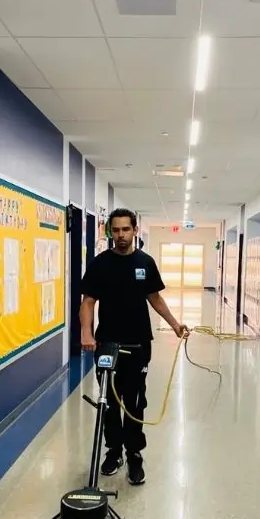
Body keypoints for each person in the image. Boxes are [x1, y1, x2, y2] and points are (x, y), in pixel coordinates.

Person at [79, 208, 187, 485]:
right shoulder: (100, 264)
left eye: (125, 229)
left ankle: (135, 453)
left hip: (139, 343)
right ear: (110, 232)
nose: (121, 235)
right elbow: (88, 301)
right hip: (107, 344)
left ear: (135, 230)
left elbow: (155, 298)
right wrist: (86, 333)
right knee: (110, 402)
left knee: (135, 401)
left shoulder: (145, 263)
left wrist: (175, 324)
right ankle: (114, 451)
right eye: (115, 230)